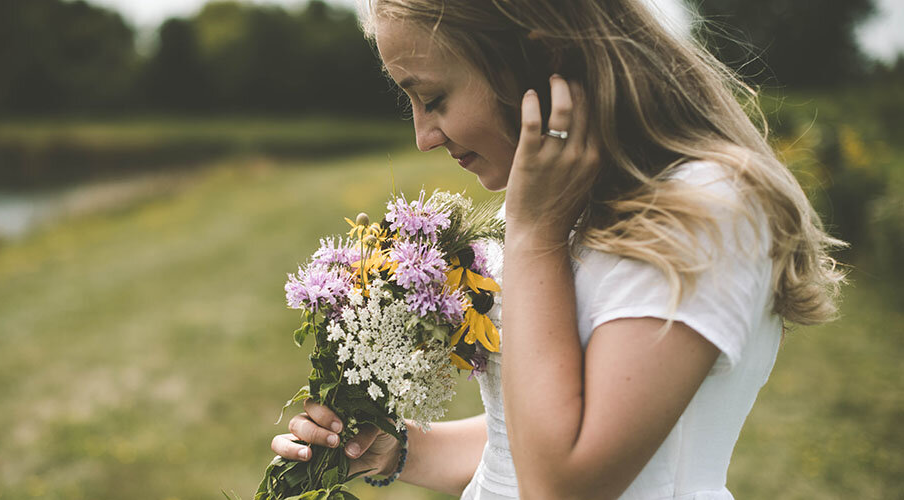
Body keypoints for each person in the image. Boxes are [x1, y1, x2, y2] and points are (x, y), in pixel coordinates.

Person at [270, 0, 845, 498]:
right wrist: (395, 451)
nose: (423, 137)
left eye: (435, 97)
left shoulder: (700, 212)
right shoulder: (556, 200)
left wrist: (533, 234)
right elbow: (518, 445)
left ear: (538, 57)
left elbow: (563, 485)